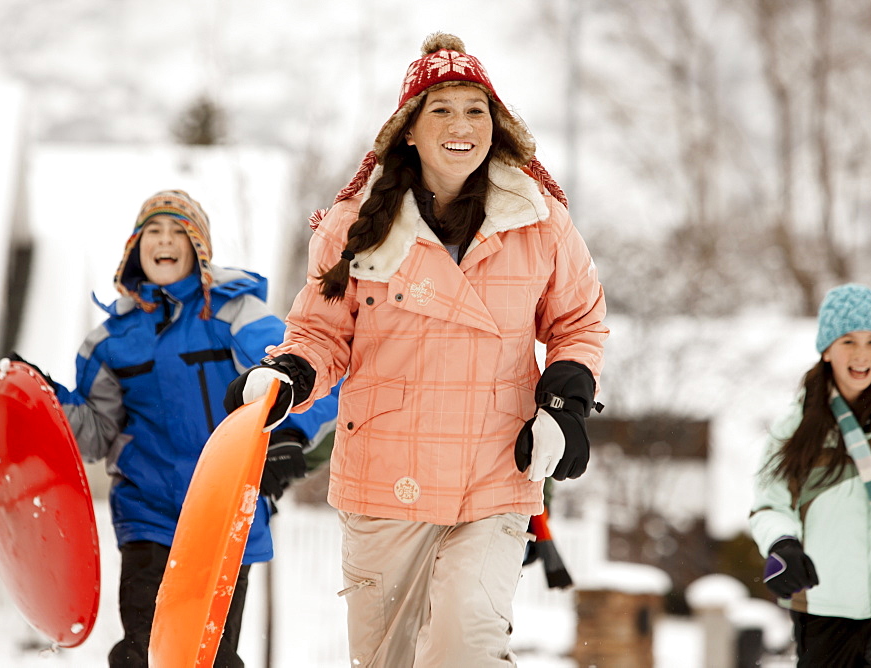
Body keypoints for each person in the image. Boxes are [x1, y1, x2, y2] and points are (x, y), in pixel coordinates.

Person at [225, 33, 607, 666]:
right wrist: (289, 375)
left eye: (476, 110)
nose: (462, 125)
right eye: (442, 110)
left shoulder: (540, 222)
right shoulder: (357, 226)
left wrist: (565, 402)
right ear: (408, 129)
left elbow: (579, 321)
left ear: (497, 125)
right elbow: (322, 334)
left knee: (467, 648)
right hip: (386, 475)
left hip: (495, 472)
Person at [9, 190, 338, 667]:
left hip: (223, 515)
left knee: (209, 657)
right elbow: (96, 432)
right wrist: (43, 400)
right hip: (147, 513)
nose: (164, 241)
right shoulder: (110, 341)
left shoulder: (234, 315)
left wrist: (287, 435)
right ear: (135, 247)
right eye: (153, 232)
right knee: (142, 654)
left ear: (198, 245)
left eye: (177, 231)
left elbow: (304, 374)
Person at [750, 283, 871, 667]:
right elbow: (770, 504)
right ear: (827, 349)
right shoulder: (796, 428)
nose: (861, 354)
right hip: (824, 598)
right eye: (848, 340)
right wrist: (783, 545)